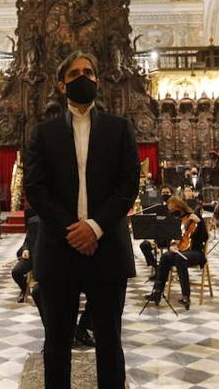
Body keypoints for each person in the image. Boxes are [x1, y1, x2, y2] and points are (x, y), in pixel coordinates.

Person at [24, 50, 139, 389]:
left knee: (110, 345)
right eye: (74, 74)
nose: (83, 78)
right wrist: (72, 230)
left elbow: (128, 184)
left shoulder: (120, 129)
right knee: (57, 345)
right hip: (59, 249)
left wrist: (95, 227)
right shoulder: (43, 132)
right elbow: (36, 187)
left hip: (107, 247)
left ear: (98, 80)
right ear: (62, 85)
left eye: (89, 72)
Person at [145, 196, 207, 310]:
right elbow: (174, 238)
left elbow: (205, 237)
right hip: (181, 250)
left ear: (180, 207)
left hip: (196, 252)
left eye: (174, 210)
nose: (173, 213)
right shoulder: (178, 220)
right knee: (166, 256)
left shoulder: (194, 218)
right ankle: (157, 292)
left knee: (180, 258)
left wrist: (200, 222)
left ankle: (186, 296)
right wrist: (172, 246)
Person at [12, 208, 39, 302]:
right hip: (32, 254)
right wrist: (26, 249)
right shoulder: (33, 220)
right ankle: (24, 289)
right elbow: (28, 239)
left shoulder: (55, 221)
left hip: (46, 257)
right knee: (16, 272)